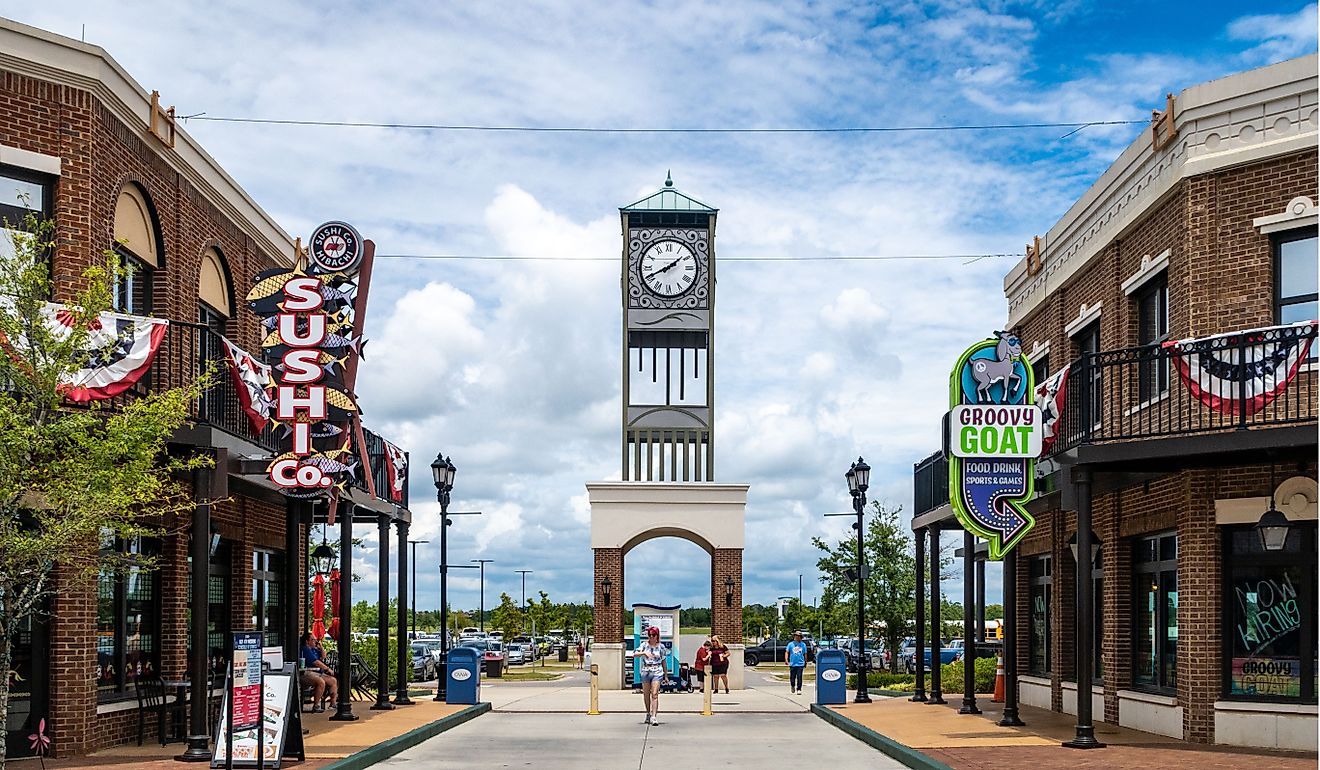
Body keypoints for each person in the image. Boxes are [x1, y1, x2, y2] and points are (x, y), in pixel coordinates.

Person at [299, 632, 337, 712]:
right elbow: (315, 662)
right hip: (306, 673)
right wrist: (327, 669)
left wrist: (321, 647)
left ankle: (333, 703)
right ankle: (316, 706)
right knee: (321, 682)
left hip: (317, 673)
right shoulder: (305, 649)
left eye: (316, 640)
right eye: (313, 640)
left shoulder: (313, 649)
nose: (315, 642)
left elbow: (323, 656)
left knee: (333, 681)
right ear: (307, 641)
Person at [637, 627, 668, 725]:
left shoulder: (661, 647)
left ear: (657, 636)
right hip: (646, 670)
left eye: (653, 635)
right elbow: (635, 653)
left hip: (657, 671)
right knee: (646, 694)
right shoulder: (644, 645)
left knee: (654, 694)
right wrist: (643, 653)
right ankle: (648, 713)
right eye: (649, 635)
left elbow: (663, 661)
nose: (651, 637)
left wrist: (666, 675)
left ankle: (654, 716)